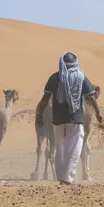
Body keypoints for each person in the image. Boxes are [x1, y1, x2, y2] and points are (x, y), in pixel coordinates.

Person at [42, 52, 97, 184]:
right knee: (74, 148)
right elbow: (91, 97)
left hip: (58, 119)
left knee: (59, 148)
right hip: (75, 118)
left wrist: (39, 115)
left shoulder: (54, 78)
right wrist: (98, 113)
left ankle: (61, 176)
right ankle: (67, 177)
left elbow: (45, 99)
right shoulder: (81, 77)